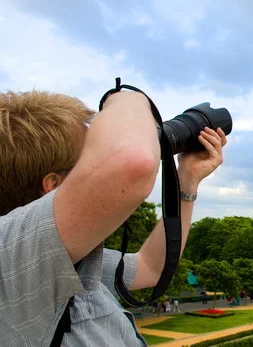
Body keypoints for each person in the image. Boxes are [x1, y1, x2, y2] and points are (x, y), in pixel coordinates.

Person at [0, 90, 227, 346]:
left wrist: (187, 179)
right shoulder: (10, 260)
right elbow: (132, 160)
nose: (98, 158)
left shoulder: (74, 259)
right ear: (54, 186)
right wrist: (123, 97)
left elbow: (150, 268)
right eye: (89, 156)